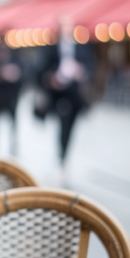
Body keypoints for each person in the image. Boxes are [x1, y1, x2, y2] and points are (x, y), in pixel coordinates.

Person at [40, 18, 94, 182]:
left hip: (75, 95)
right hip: (58, 95)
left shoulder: (81, 47)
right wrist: (52, 79)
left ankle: (64, 156)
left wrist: (81, 72)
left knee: (70, 128)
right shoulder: (50, 48)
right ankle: (61, 157)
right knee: (62, 126)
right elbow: (42, 70)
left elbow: (90, 66)